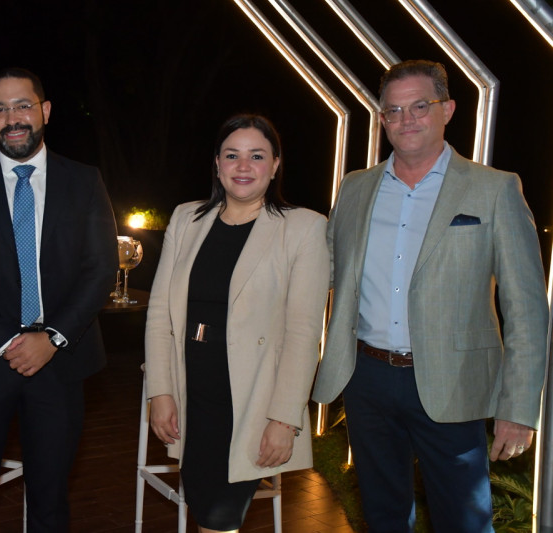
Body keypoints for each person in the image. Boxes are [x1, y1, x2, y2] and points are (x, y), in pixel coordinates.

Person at [312, 60, 549, 532]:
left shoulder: (495, 188)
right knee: (382, 516)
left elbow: (526, 309)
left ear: (448, 109)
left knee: (464, 520)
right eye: (393, 111)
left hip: (454, 384)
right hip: (367, 378)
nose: (406, 120)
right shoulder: (356, 187)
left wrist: (518, 409)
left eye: (420, 106)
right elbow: (327, 272)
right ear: (382, 119)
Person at [0, 67, 117, 532]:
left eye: (22, 105)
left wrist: (51, 337)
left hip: (61, 362)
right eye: (0, 109)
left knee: (51, 497)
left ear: (45, 111)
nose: (12, 118)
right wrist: (8, 340)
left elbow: (101, 269)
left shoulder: (85, 181)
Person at [145, 114, 330, 532]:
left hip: (251, 401)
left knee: (221, 517)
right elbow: (160, 315)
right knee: (203, 508)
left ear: (275, 165)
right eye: (232, 155)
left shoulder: (304, 228)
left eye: (256, 156)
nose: (243, 166)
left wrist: (284, 419)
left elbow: (304, 333)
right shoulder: (185, 218)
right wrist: (160, 391)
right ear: (217, 163)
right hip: (191, 392)